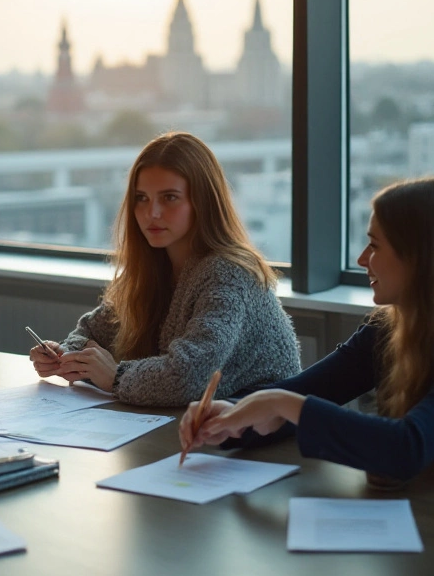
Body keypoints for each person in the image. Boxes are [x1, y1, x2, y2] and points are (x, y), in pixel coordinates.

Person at [181, 177, 434, 484]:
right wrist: (227, 420)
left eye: (375, 246)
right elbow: (308, 392)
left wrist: (280, 404)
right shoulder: (392, 327)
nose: (361, 259)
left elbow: (406, 447)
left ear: (422, 258)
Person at [29, 131, 300, 406]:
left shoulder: (229, 274)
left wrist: (115, 377)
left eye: (169, 197)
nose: (152, 213)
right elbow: (93, 332)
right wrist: (64, 357)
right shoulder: (151, 267)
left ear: (202, 202)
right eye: (142, 198)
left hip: (260, 435)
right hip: (192, 426)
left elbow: (186, 377)